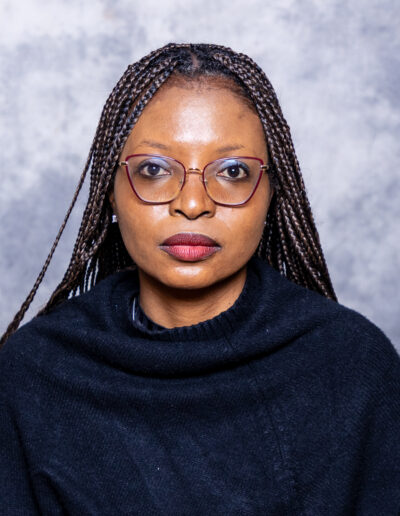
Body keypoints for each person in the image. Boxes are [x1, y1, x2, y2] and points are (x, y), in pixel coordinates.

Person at [0, 42, 399, 515]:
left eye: (233, 171)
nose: (192, 204)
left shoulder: (354, 367)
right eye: (153, 169)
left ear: (273, 192)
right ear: (110, 190)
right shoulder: (32, 374)